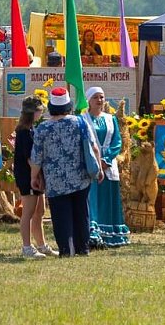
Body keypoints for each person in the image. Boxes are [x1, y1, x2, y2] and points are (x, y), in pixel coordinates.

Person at [30, 87, 102, 256]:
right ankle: (82, 248)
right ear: (68, 104)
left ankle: (66, 249)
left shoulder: (43, 128)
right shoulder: (81, 122)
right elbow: (94, 148)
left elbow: (36, 157)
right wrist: (98, 169)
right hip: (81, 177)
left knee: (61, 216)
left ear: (51, 107)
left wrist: (34, 176)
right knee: (81, 213)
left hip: (55, 181)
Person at [84, 87, 130, 248]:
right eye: (95, 97)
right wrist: (95, 161)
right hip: (90, 164)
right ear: (89, 100)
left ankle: (112, 235)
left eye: (102, 97)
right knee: (93, 198)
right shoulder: (83, 119)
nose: (99, 100)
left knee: (108, 199)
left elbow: (117, 141)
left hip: (108, 166)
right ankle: (93, 232)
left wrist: (106, 159)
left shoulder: (111, 119)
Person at [14, 96, 57, 258]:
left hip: (36, 175)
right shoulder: (24, 132)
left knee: (39, 211)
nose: (41, 113)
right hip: (28, 176)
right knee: (28, 212)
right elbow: (30, 158)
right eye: (39, 110)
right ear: (33, 112)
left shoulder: (32, 129)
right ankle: (26, 247)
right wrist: (36, 175)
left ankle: (41, 244)